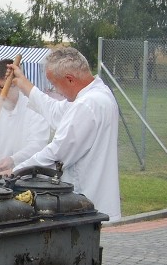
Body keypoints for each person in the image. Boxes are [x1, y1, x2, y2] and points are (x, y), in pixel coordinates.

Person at [9, 46, 122, 221]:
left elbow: (57, 154)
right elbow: (55, 110)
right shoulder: (95, 95)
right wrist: (23, 83)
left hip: (83, 198)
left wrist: (15, 172)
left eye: (54, 84)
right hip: (88, 199)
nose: (56, 90)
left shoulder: (88, 104)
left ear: (69, 79)